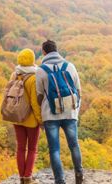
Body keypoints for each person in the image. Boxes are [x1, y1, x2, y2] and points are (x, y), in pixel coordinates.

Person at [36, 40, 83, 184]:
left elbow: (39, 95)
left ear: (44, 52)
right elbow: (78, 91)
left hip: (50, 115)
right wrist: (75, 109)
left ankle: (60, 180)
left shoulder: (41, 70)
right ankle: (79, 174)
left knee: (54, 149)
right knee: (74, 145)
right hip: (69, 113)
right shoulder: (70, 66)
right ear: (57, 50)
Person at [10, 49, 42, 184]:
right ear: (32, 60)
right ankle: (28, 177)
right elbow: (35, 103)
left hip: (17, 117)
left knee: (21, 148)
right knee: (32, 148)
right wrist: (41, 120)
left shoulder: (14, 74)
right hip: (31, 120)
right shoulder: (34, 78)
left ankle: (21, 177)